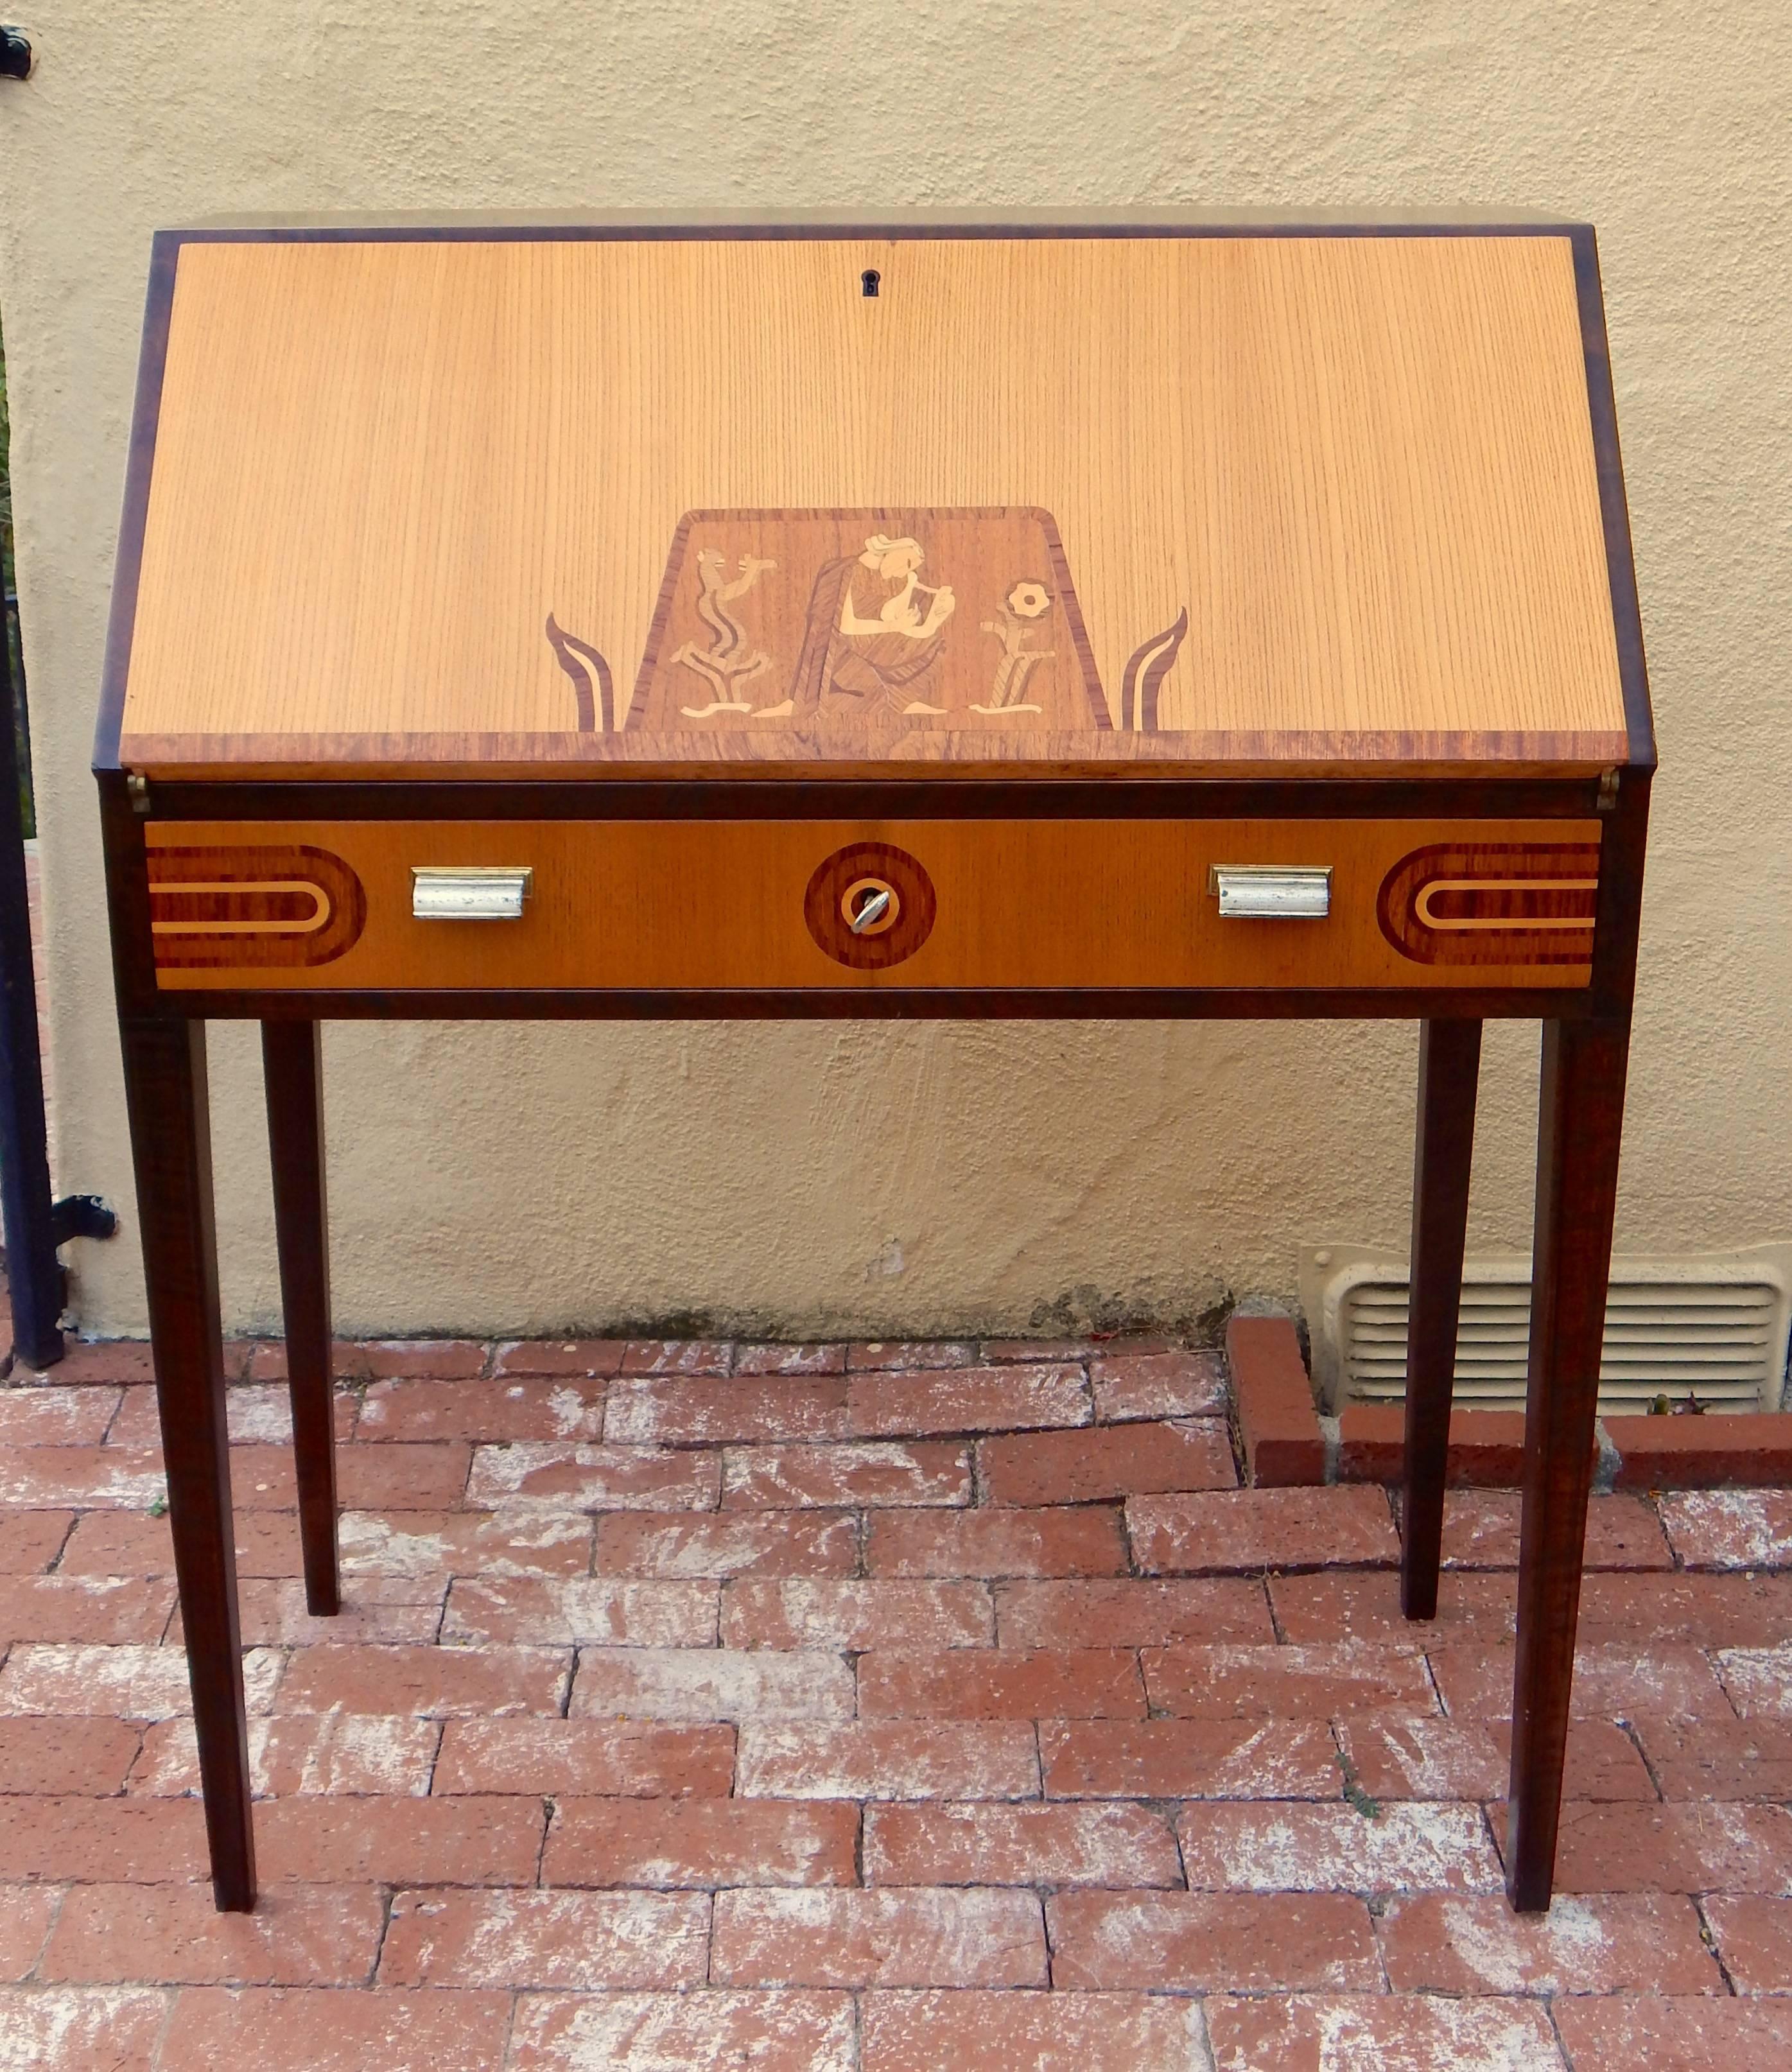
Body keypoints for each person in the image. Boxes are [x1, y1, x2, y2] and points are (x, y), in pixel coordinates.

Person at [788, 533, 956, 719]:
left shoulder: (891, 580)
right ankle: (838, 701)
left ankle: (899, 702)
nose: (903, 573)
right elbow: (847, 627)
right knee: (875, 698)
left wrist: (935, 617)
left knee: (933, 646)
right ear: (894, 549)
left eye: (911, 570)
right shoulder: (847, 571)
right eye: (907, 563)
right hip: (837, 653)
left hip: (865, 647)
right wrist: (894, 625)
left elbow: (903, 612)